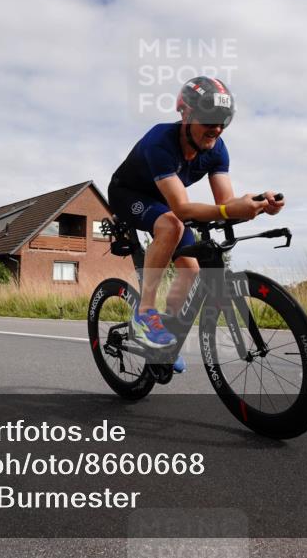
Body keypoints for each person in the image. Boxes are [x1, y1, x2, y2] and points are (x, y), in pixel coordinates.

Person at [108, 76, 284, 373]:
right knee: (172, 225)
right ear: (185, 114)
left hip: (163, 204)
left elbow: (225, 204)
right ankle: (145, 314)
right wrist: (231, 207)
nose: (216, 128)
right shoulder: (160, 142)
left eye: (223, 121)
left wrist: (258, 205)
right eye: (209, 120)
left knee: (191, 267)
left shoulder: (217, 150)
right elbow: (181, 208)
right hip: (129, 194)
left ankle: (163, 340)